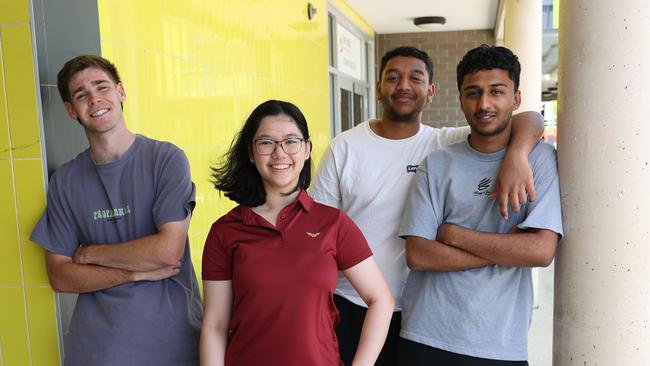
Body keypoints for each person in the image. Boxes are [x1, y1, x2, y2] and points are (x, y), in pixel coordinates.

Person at [310, 46, 545, 365]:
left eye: (415, 78)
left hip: (417, 312)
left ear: (431, 91)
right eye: (393, 77)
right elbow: (316, 231)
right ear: (378, 88)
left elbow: (527, 118)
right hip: (354, 303)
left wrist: (517, 156)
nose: (404, 85)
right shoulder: (345, 148)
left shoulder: (441, 144)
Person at [30, 55, 202, 366]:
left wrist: (88, 254)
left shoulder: (165, 160)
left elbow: (166, 252)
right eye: (81, 95)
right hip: (97, 353)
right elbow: (60, 276)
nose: (95, 99)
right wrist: (133, 272)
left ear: (120, 92)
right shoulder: (66, 181)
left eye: (102, 87)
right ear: (72, 110)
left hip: (174, 348)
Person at [397, 45, 563, 365]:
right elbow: (418, 254)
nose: (484, 104)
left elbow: (540, 251)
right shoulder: (437, 163)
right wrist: (507, 250)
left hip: (498, 343)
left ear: (515, 98)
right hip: (425, 335)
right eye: (473, 93)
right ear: (460, 99)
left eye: (496, 92)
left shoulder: (538, 160)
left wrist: (454, 235)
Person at [200, 100, 394, 366]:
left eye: (291, 141)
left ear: (307, 149)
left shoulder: (334, 223)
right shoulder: (225, 231)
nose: (280, 153)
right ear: (251, 152)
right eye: (266, 142)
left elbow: (380, 299)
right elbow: (215, 325)